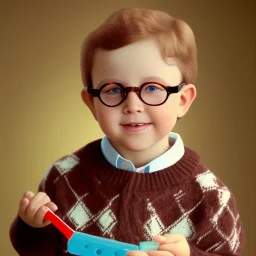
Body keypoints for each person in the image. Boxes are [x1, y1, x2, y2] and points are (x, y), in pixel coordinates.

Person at [9, 7, 245, 256]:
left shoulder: (211, 196)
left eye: (152, 88)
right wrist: (33, 227)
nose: (133, 106)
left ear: (183, 100)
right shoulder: (63, 178)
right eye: (112, 89)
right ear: (92, 103)